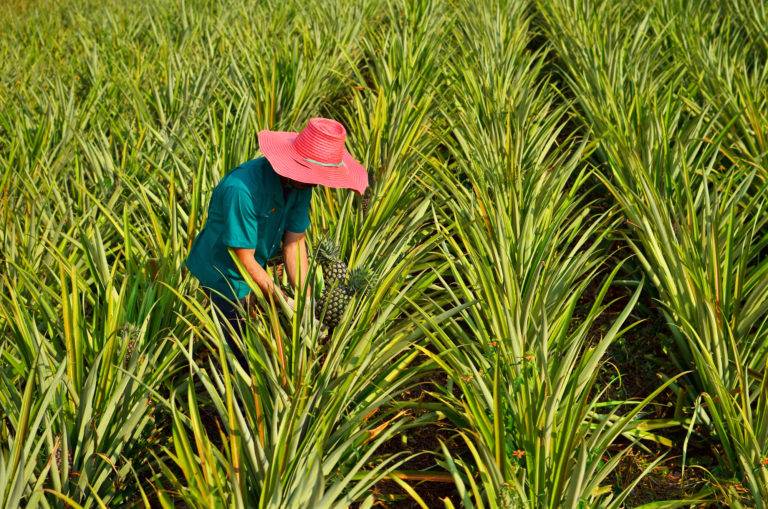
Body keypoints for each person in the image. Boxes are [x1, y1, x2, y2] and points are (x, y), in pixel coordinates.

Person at [185, 118, 368, 367]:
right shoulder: (241, 190)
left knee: (261, 327)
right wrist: (282, 299)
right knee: (237, 339)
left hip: (254, 259)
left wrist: (305, 299)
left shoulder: (301, 184)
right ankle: (233, 386)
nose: (315, 182)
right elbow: (243, 258)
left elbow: (294, 243)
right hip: (223, 269)